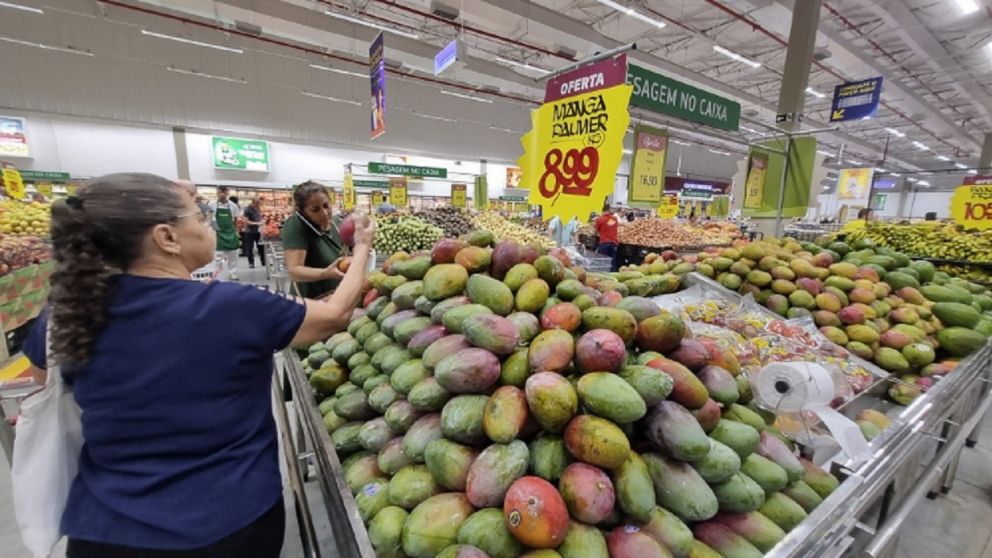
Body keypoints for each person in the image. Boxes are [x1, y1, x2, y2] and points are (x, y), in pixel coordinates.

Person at [21, 172, 374, 557]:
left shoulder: (65, 312)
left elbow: (46, 383)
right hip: (224, 525)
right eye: (199, 217)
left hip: (105, 528)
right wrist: (361, 248)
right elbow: (335, 314)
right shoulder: (229, 308)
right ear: (166, 237)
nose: (207, 224)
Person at [281, 181, 348, 299]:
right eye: (315, 210)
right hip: (310, 303)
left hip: (337, 298)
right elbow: (294, 271)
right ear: (302, 211)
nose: (324, 213)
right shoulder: (296, 225)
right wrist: (325, 273)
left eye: (326, 205)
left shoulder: (336, 223)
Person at [210, 186, 241, 280]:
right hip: (218, 233)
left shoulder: (232, 205)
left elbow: (236, 220)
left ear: (227, 193)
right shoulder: (212, 204)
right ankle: (218, 273)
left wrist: (236, 232)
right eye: (220, 192)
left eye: (224, 192)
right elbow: (209, 218)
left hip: (230, 232)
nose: (222, 194)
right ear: (217, 193)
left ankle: (233, 273)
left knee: (233, 254)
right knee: (218, 256)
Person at [594, 203, 620, 271]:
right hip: (614, 243)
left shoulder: (599, 219)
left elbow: (595, 231)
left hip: (604, 243)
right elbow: (613, 226)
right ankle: (613, 277)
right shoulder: (615, 219)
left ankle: (603, 277)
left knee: (603, 262)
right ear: (609, 209)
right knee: (612, 261)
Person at [243, 197, 266, 269]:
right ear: (253, 202)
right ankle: (251, 263)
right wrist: (257, 223)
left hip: (258, 231)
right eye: (257, 204)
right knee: (250, 247)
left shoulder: (258, 208)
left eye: (259, 204)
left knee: (261, 247)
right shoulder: (247, 209)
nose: (258, 205)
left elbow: (259, 217)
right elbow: (246, 221)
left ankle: (263, 261)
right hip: (249, 232)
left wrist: (262, 222)